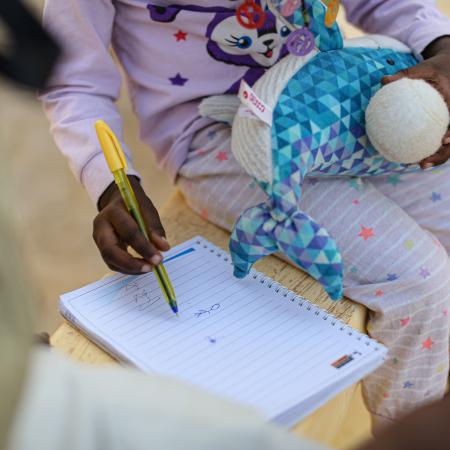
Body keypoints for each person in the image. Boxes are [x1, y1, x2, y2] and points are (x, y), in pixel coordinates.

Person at [39, 0, 450, 429]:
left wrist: (443, 50)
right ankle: (408, 433)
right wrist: (111, 186)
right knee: (417, 280)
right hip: (214, 135)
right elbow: (71, 82)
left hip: (329, 99)